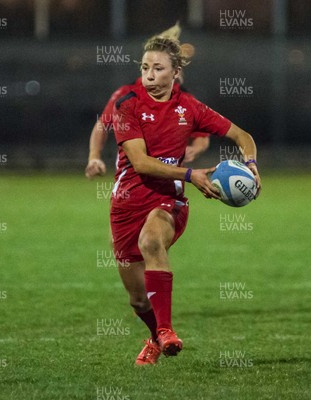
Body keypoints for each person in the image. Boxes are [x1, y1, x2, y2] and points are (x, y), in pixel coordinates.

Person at [111, 34, 261, 366]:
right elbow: (140, 163)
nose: (149, 74)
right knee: (137, 299)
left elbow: (243, 136)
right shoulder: (127, 105)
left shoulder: (188, 107)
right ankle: (154, 335)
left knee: (152, 241)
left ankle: (165, 331)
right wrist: (192, 175)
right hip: (127, 202)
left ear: (175, 71)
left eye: (158, 68)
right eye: (145, 67)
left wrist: (251, 165)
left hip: (168, 200)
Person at [85, 23, 210, 179]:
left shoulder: (186, 100)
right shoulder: (126, 95)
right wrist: (94, 157)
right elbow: (103, 125)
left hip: (170, 180)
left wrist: (194, 150)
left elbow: (202, 137)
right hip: (133, 181)